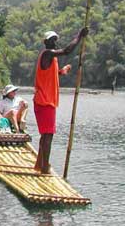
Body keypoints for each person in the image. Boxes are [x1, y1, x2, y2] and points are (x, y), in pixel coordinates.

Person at [33, 27, 88, 174]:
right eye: (51, 40)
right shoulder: (47, 53)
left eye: (55, 40)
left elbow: (49, 75)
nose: (54, 42)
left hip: (46, 101)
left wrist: (61, 72)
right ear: (45, 42)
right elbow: (67, 51)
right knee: (48, 135)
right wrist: (79, 36)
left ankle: (39, 165)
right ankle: (44, 168)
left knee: (46, 135)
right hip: (44, 101)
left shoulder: (52, 58)